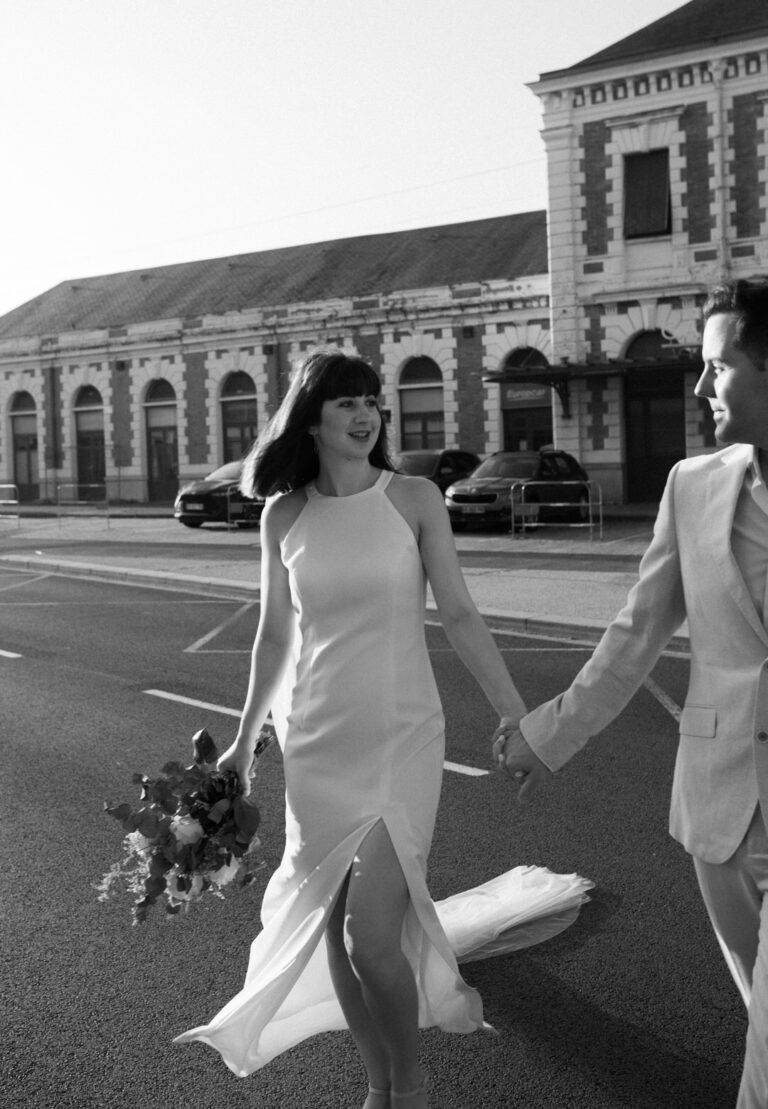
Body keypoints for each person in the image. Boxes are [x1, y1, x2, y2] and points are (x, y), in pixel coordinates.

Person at [172, 349, 534, 1108]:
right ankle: (377, 1081)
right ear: (311, 417)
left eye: (372, 399)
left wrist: (514, 710)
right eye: (346, 403)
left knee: (371, 933)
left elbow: (460, 613)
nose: (366, 413)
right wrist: (242, 742)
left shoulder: (414, 498)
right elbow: (275, 637)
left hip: (402, 733)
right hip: (317, 740)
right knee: (335, 925)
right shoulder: (285, 515)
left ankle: (411, 1075)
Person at [496, 278, 768, 1109]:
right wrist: (550, 732)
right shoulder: (692, 487)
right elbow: (635, 632)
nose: (698, 387)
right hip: (724, 809)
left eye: (716, 367)